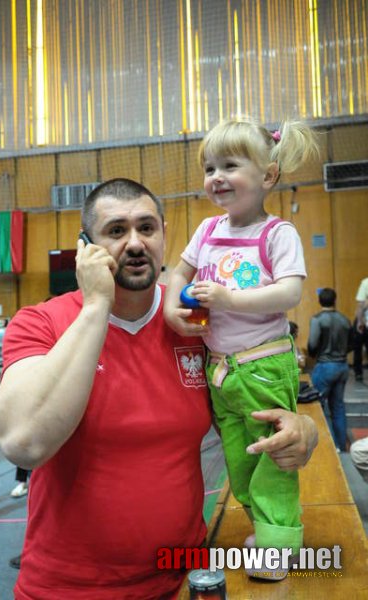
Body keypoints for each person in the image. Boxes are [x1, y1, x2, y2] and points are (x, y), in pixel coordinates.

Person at [0, 178, 318, 599]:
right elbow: (23, 444)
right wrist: (96, 306)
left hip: (184, 580)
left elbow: (247, 411)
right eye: (115, 231)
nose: (134, 243)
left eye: (146, 228)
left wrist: (300, 430)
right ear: (85, 246)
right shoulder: (41, 323)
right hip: (69, 590)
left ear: (164, 234)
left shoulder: (196, 322)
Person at [164, 118, 319, 579]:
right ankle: (268, 530)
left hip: (262, 366)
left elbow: (290, 293)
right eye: (210, 167)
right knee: (239, 459)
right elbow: (178, 272)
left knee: (273, 454)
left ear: (267, 176)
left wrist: (230, 299)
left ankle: (278, 541)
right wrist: (174, 305)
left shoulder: (276, 234)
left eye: (229, 165)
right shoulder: (208, 229)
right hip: (221, 372)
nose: (216, 177)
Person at [307, 288, 353, 452]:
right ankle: (341, 445)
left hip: (325, 366)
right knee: (338, 407)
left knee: (318, 406)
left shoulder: (317, 319)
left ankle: (329, 447)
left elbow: (312, 345)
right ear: (335, 300)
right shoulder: (345, 319)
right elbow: (352, 344)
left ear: (320, 301)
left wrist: (315, 355)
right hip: (342, 366)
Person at [353, 277, 368, 382]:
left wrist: (359, 322)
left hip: (364, 320)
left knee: (357, 347)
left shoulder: (366, 282)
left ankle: (358, 373)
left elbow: (361, 305)